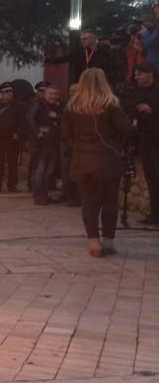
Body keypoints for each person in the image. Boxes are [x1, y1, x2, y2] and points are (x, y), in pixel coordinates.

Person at [62, 68, 134, 257]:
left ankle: (94, 243)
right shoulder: (111, 105)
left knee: (89, 203)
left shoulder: (72, 107)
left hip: (82, 161)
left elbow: (65, 135)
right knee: (110, 201)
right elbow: (127, 130)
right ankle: (109, 242)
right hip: (108, 160)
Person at [130, 62, 159, 225]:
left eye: (139, 74)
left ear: (150, 73)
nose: (136, 77)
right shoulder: (137, 91)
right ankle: (155, 213)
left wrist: (152, 110)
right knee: (151, 178)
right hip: (145, 139)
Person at [31, 85, 62, 205]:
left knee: (47, 172)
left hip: (52, 143)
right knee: (39, 170)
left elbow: (61, 119)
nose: (53, 96)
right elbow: (32, 122)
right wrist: (42, 135)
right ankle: (39, 196)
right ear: (44, 94)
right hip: (41, 144)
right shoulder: (37, 105)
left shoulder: (55, 107)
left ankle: (44, 195)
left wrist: (56, 117)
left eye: (55, 94)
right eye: (50, 94)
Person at [0, 82, 24, 193]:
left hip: (12, 139)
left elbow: (22, 121)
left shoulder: (18, 106)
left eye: (10, 91)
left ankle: (12, 186)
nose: (8, 94)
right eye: (6, 92)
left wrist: (18, 134)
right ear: (1, 94)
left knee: (12, 164)